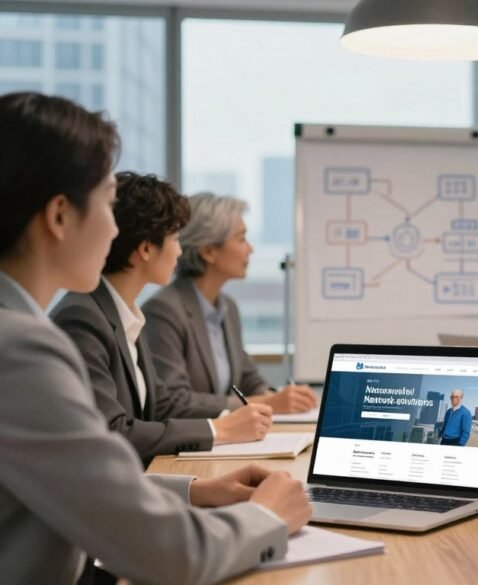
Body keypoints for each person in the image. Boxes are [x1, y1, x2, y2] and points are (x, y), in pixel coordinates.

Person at [0, 91, 311, 584]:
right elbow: (172, 554)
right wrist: (266, 516)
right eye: (108, 204)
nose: (115, 229)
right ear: (59, 216)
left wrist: (194, 490)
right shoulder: (20, 350)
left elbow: (83, 487)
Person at [51, 172, 273, 465]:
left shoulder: (125, 313)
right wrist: (218, 430)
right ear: (145, 249)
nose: (180, 251)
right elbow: (112, 431)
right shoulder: (83, 318)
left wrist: (199, 480)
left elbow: (163, 405)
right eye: (176, 239)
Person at [142, 193, 317, 413]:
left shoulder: (227, 307)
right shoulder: (164, 311)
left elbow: (247, 378)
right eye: (241, 239)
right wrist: (265, 403)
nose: (250, 249)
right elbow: (175, 402)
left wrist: (279, 397)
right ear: (208, 251)